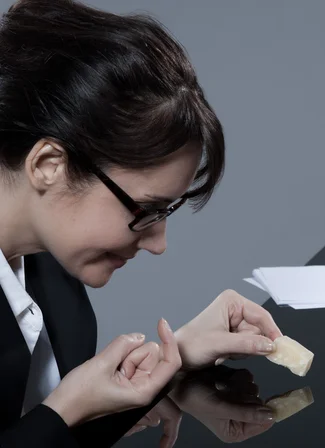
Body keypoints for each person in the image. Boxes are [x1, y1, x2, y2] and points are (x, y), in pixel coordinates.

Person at [0, 0, 284, 446]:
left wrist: (178, 357)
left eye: (166, 212)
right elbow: (52, 419)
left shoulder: (53, 268)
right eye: (145, 210)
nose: (158, 243)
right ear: (49, 165)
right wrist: (69, 407)